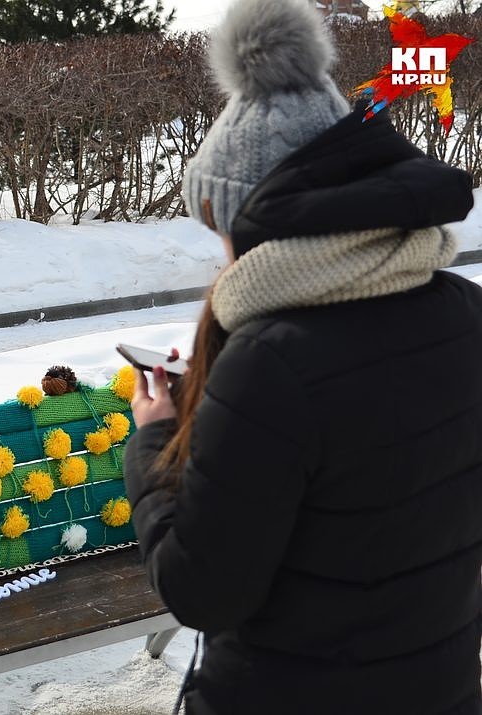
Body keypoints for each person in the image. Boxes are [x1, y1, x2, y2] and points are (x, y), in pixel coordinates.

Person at [122, 1, 482, 713]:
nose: (219, 250)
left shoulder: (270, 365)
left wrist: (156, 438)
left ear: (263, 222)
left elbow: (202, 588)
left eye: (219, 225)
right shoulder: (464, 313)